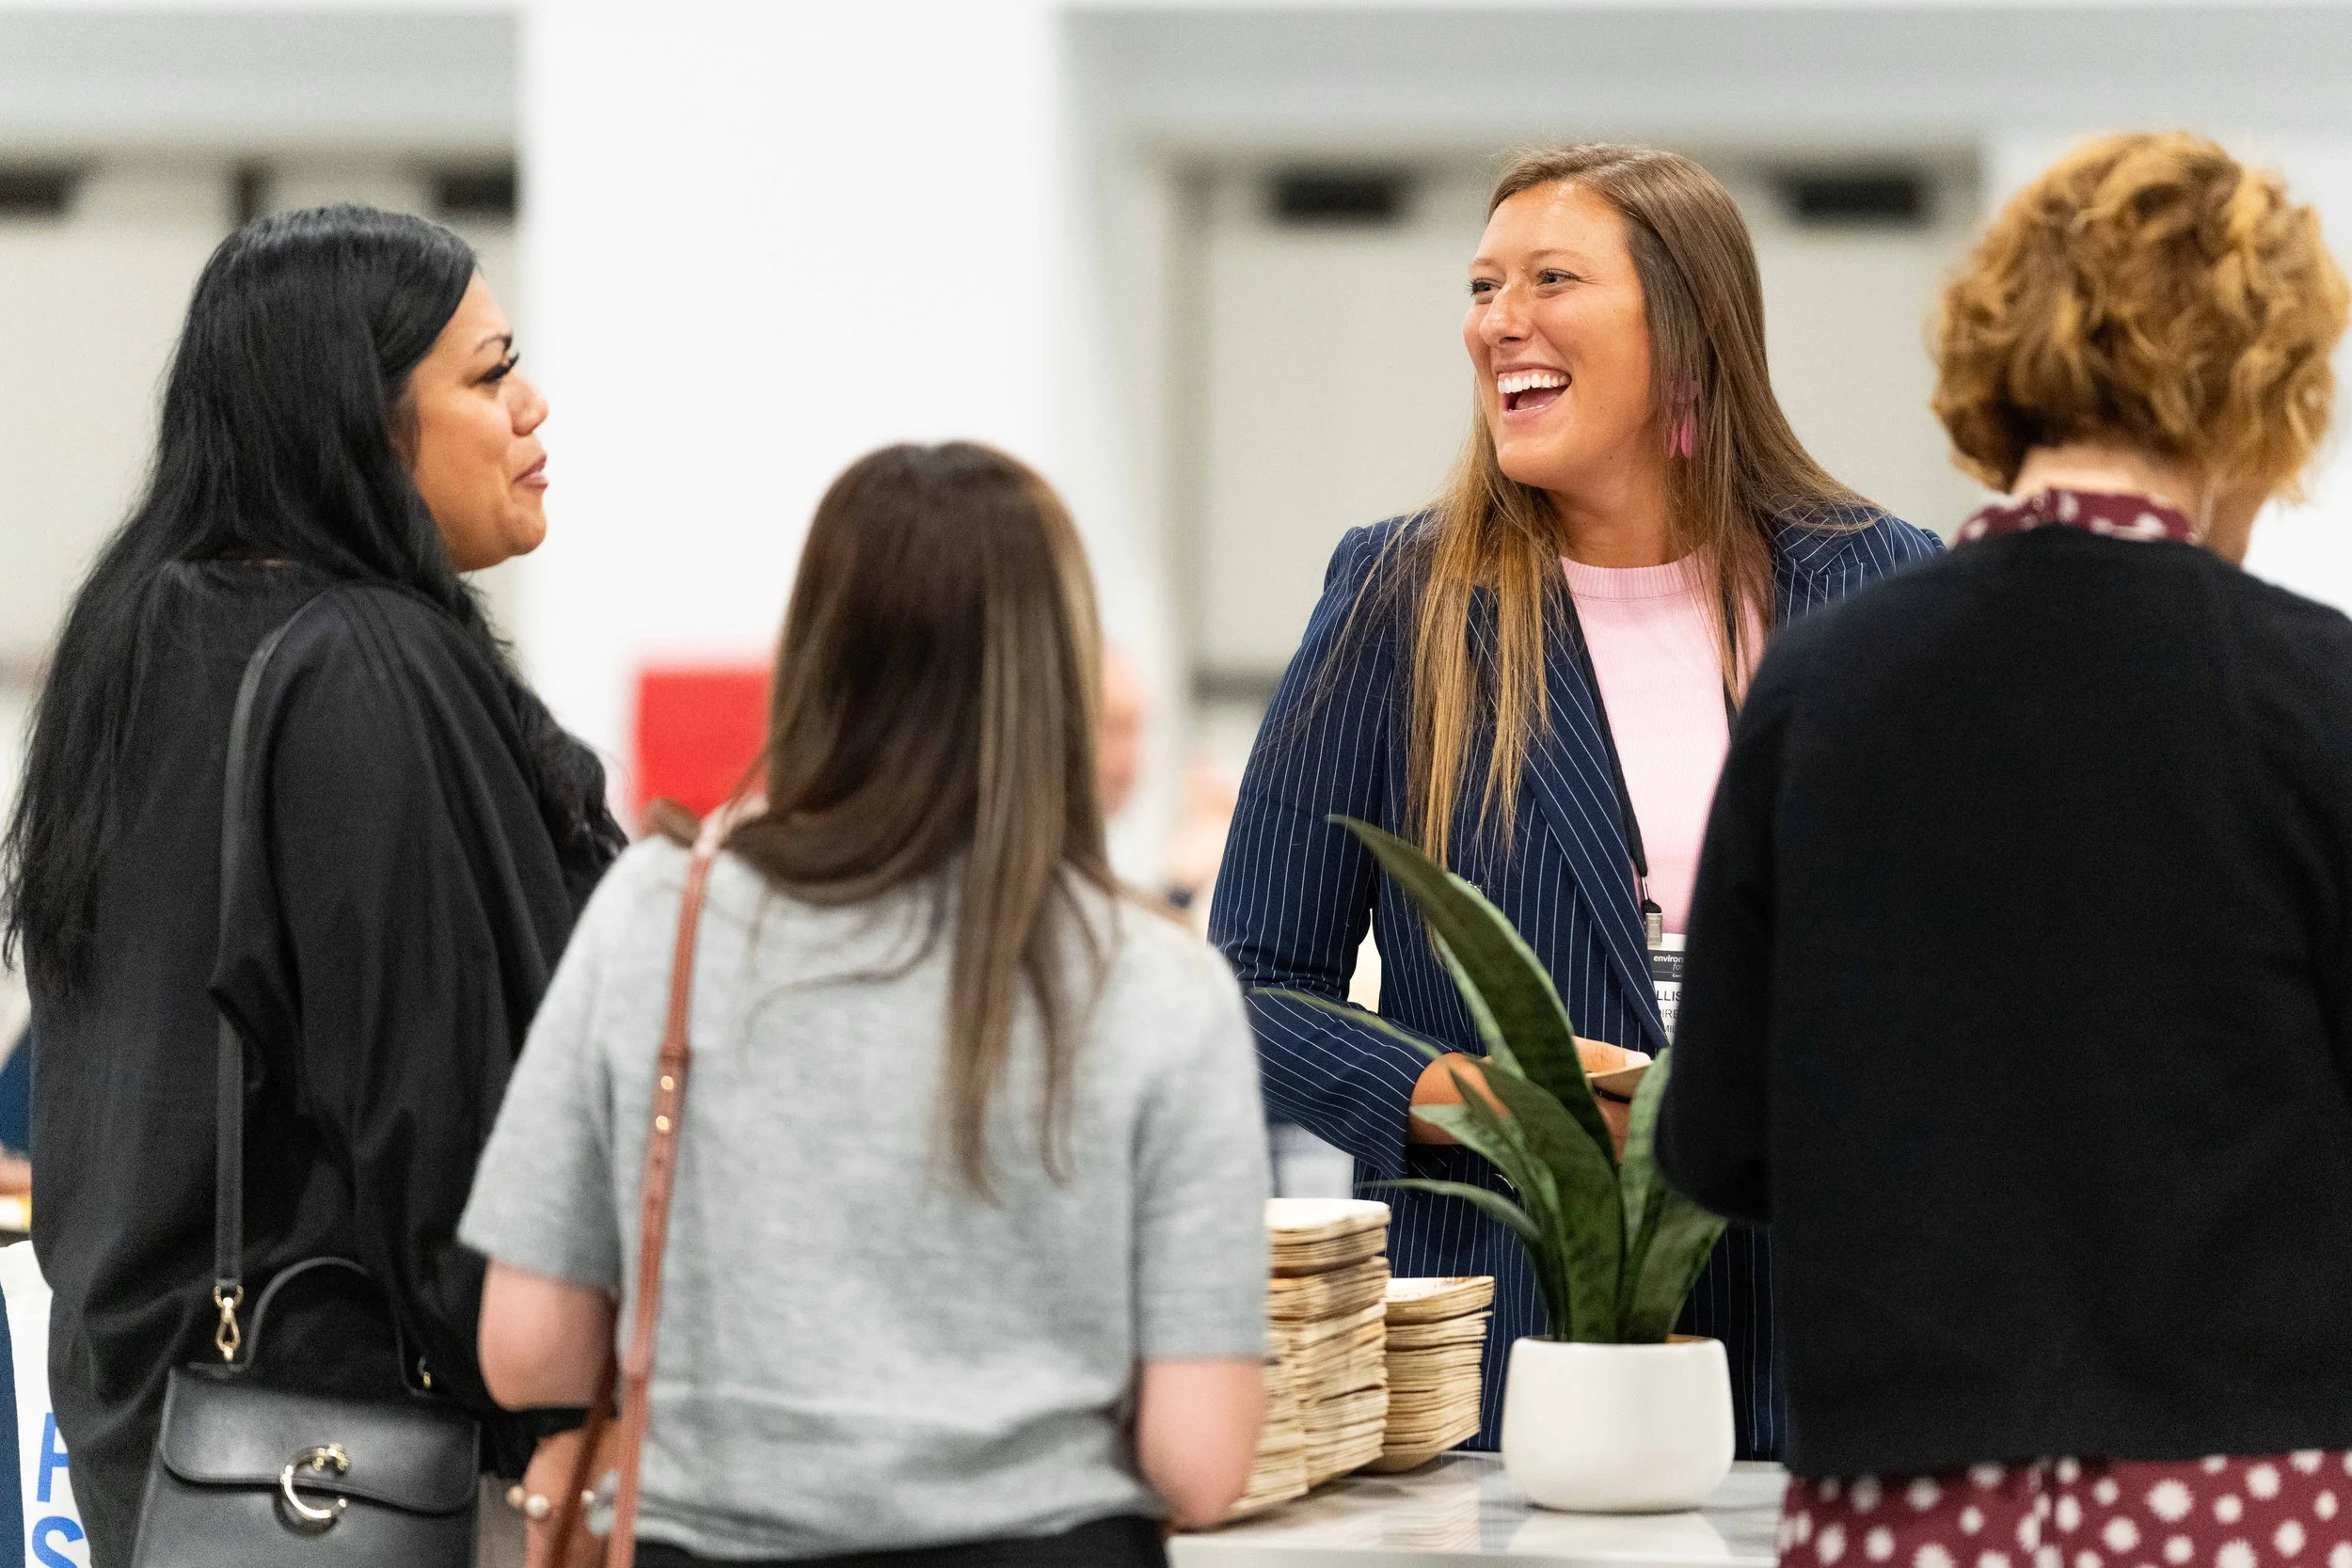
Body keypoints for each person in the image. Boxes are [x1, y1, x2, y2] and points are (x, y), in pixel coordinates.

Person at [1660, 132, 2352, 1561]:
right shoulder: (2317, 692)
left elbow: (1717, 1139)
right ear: (2260, 392)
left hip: (1902, 1480)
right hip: (2236, 1478)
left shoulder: (1824, 679)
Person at [1209, 142, 1938, 1457]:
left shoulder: (1880, 580)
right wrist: (1471, 1094)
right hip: (1510, 1350)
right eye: (1484, 285)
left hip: (1832, 1340)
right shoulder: (1398, 598)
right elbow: (1251, 982)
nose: (1501, 321)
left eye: (1552, 278)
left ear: (1691, 326)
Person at [461, 443, 1270, 1567]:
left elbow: (528, 1346)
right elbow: (1203, 1456)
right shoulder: (1156, 978)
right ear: (1058, 675)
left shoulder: (660, 914)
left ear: (816, 656)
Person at [0, 205, 624, 1565]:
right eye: (487, 371)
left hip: (169, 1456)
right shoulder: (361, 666)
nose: (531, 406)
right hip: (362, 1465)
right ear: (364, 415)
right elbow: (441, 1123)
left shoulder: (137, 644)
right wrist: (567, 1403)